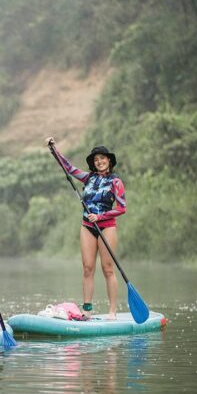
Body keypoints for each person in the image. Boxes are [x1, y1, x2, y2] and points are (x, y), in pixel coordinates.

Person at [46, 137, 126, 319]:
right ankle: (87, 310)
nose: (99, 162)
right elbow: (69, 168)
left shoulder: (116, 182)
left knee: (107, 269)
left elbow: (122, 208)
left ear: (109, 161)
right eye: (96, 160)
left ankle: (112, 311)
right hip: (87, 226)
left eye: (102, 158)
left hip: (107, 227)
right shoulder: (88, 178)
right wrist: (54, 150)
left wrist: (101, 216)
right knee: (88, 268)